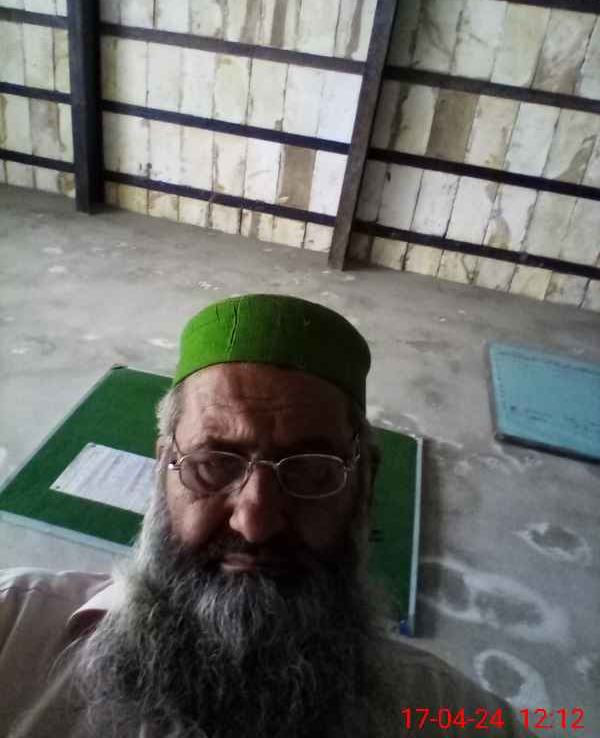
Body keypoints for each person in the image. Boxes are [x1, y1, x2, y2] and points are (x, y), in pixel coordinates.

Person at [0, 294, 534, 737]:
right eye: (213, 464)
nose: (255, 522)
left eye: (312, 470)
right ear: (164, 466)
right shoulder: (12, 628)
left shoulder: (456, 719)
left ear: (365, 485)